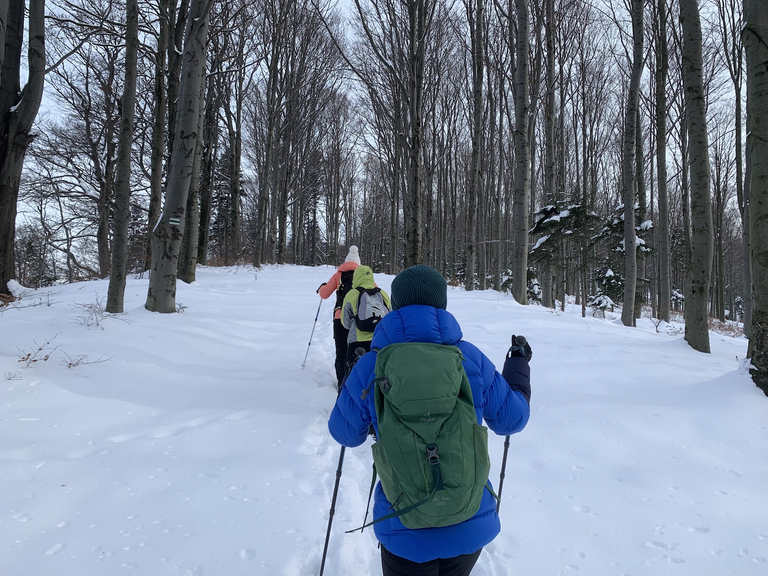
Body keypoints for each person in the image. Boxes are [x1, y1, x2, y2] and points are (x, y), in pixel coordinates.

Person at [328, 264, 531, 576]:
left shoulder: (372, 366)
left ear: (394, 305)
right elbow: (512, 420)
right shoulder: (469, 358)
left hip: (403, 529)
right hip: (468, 521)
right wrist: (518, 367)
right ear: (443, 305)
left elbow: (344, 433)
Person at [317, 246, 361, 388]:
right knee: (355, 350)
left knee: (341, 352)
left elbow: (324, 294)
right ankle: (355, 381)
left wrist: (322, 287)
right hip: (358, 318)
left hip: (340, 317)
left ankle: (342, 384)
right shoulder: (363, 276)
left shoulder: (338, 275)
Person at [340, 265, 391, 374]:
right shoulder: (382, 294)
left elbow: (345, 323)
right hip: (380, 341)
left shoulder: (351, 294)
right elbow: (390, 317)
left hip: (357, 343)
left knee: (354, 376)